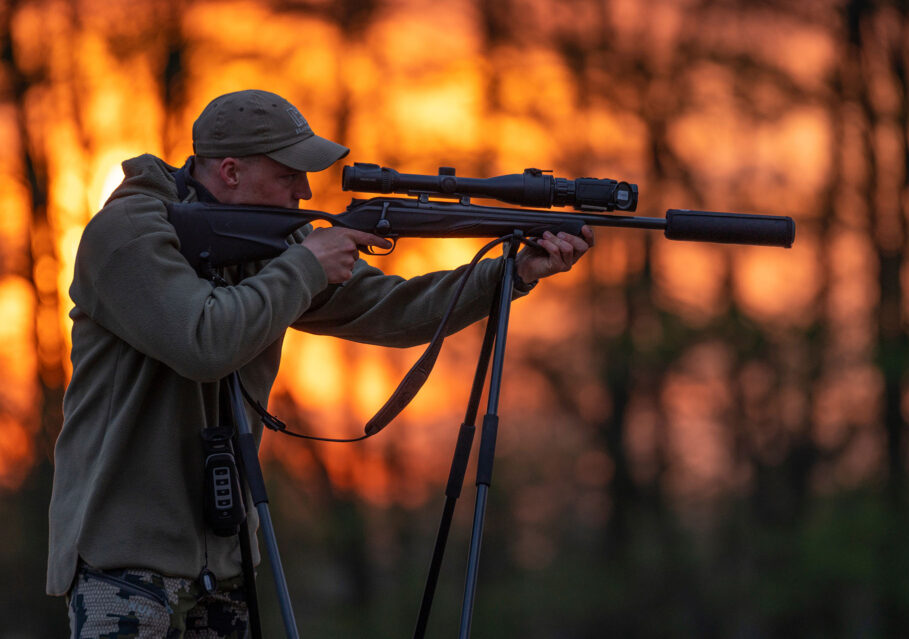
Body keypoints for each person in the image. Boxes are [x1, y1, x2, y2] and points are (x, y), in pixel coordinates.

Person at [46, 89, 593, 637]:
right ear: (232, 171)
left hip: (225, 560)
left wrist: (512, 275)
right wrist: (307, 264)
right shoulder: (125, 236)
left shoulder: (270, 245)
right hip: (123, 564)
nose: (306, 191)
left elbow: (392, 308)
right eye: (290, 175)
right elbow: (203, 343)